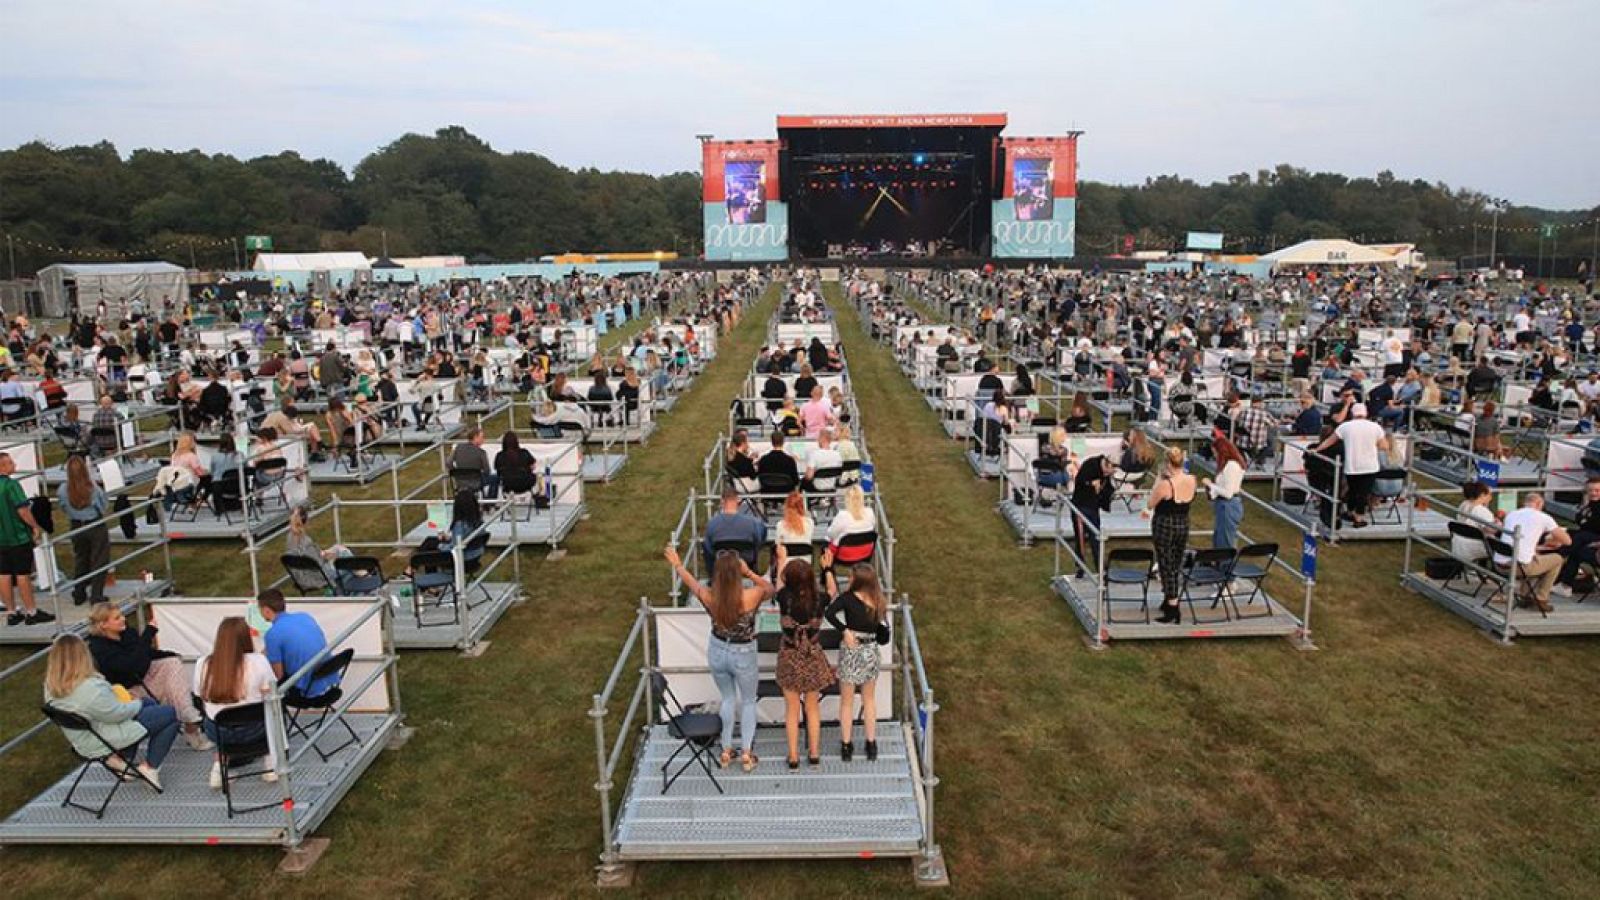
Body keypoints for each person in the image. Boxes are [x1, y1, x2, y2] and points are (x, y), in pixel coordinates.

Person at [663, 544, 772, 771]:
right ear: (737, 572)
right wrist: (750, 573)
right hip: (744, 652)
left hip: (718, 649)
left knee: (728, 699)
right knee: (749, 701)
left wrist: (678, 565)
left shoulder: (710, 597)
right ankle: (746, 752)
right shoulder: (751, 596)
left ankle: (725, 748)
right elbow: (770, 589)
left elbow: (692, 583)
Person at [44, 633, 177, 790]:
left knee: (150, 704)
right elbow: (117, 714)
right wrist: (137, 703)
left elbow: (107, 710)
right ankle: (150, 767)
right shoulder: (90, 688)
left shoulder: (51, 686)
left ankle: (123, 761)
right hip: (103, 738)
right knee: (170, 714)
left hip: (84, 738)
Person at [85, 602, 210, 749]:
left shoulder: (127, 634)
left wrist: (170, 655)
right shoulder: (98, 647)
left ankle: (189, 719)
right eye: (117, 618)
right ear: (103, 625)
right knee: (169, 682)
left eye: (122, 615)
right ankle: (189, 722)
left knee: (171, 663)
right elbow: (131, 665)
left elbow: (146, 654)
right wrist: (148, 634)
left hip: (143, 680)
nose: (123, 619)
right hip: (125, 692)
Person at [193, 616, 279, 788]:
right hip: (254, 730)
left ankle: (219, 768)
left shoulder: (202, 663)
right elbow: (272, 690)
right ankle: (270, 764)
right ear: (245, 637)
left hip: (218, 731)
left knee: (217, 716)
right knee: (273, 709)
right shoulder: (258, 661)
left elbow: (198, 694)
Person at [823, 560, 890, 762]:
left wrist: (844, 630)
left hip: (852, 650)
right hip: (870, 650)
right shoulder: (878, 600)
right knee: (869, 700)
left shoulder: (848, 599)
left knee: (847, 701)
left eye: (851, 576)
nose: (849, 579)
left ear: (858, 580)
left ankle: (846, 744)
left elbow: (829, 613)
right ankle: (871, 743)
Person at [774, 556, 835, 769]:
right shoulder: (819, 600)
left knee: (791, 710)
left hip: (790, 655)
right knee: (812, 708)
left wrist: (781, 558)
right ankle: (815, 753)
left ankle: (793, 756)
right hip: (812, 656)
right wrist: (827, 569)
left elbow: (779, 584)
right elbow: (833, 591)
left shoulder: (783, 598)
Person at [1142, 446, 1196, 623]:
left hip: (1165, 523)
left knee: (1166, 563)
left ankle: (1173, 605)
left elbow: (1150, 503)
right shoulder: (1191, 479)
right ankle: (1169, 599)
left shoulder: (1165, 485)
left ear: (1167, 463)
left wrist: (1159, 478)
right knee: (1176, 561)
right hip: (1183, 522)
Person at [1315, 403, 1389, 528]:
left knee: (1353, 491)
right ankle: (1358, 518)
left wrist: (1317, 449)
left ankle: (1350, 512)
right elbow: (1384, 446)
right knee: (1363, 493)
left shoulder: (1345, 427)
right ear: (1365, 413)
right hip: (1370, 465)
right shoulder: (1375, 427)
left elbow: (1329, 441)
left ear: (1352, 413)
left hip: (1352, 465)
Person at [257, 588, 339, 698]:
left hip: (305, 690)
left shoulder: (273, 634)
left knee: (261, 685)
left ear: (266, 610)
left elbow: (278, 676)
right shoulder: (304, 616)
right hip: (329, 680)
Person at [0, 452, 51, 626]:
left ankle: (11, 612)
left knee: (4, 574)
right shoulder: (11, 485)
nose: (13, 464)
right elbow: (22, 510)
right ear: (3, 467)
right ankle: (31, 611)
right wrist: (35, 526)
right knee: (23, 573)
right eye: (10, 462)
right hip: (17, 536)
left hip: (1, 539)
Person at [1495, 493, 1569, 612]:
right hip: (1518, 567)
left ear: (1525, 503)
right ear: (1540, 504)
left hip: (1499, 564)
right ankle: (1541, 598)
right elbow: (1567, 541)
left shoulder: (1511, 514)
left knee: (1535, 558)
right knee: (1557, 559)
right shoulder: (1543, 517)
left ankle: (1525, 595)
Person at [57, 455, 110, 607]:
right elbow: (103, 506)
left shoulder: (62, 489)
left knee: (81, 558)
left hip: (76, 526)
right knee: (99, 560)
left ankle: (79, 591)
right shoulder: (93, 489)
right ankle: (96, 596)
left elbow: (63, 507)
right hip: (95, 525)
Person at [701, 485, 767, 567]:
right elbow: (760, 539)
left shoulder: (712, 524)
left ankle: (713, 576)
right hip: (745, 561)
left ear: (722, 501)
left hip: (721, 562)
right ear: (738, 500)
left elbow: (708, 547)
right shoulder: (753, 522)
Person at [1070, 454, 1110, 577]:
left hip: (1093, 507)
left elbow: (1106, 491)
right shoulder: (1090, 465)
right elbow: (1080, 480)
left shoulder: (1106, 475)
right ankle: (1080, 567)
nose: (1110, 474)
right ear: (1106, 465)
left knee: (1096, 537)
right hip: (1080, 506)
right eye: (1110, 471)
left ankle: (1100, 567)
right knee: (1081, 538)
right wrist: (1091, 484)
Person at [1205, 436, 1247, 549]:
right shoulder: (1228, 465)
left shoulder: (1232, 466)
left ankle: (1225, 565)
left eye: (1215, 453)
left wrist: (1210, 485)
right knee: (1219, 539)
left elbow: (1228, 493)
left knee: (1225, 542)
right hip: (1223, 505)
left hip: (1228, 506)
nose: (1214, 456)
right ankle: (1220, 564)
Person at [1452, 481, 1499, 562]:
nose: (1491, 497)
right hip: (1473, 547)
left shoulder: (1464, 504)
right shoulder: (1481, 511)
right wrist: (1499, 523)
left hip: (1458, 545)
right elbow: (1492, 530)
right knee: (1502, 547)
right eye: (1489, 494)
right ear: (1482, 495)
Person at [773, 490, 814, 570]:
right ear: (802, 505)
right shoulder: (809, 523)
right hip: (805, 564)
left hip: (785, 566)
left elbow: (778, 546)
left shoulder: (780, 525)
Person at [451, 426, 497, 494]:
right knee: (495, 478)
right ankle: (489, 502)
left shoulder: (458, 448)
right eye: (482, 437)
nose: (483, 440)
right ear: (475, 437)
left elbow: (448, 462)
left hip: (460, 481)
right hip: (476, 482)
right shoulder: (481, 452)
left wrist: (455, 472)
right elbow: (487, 471)